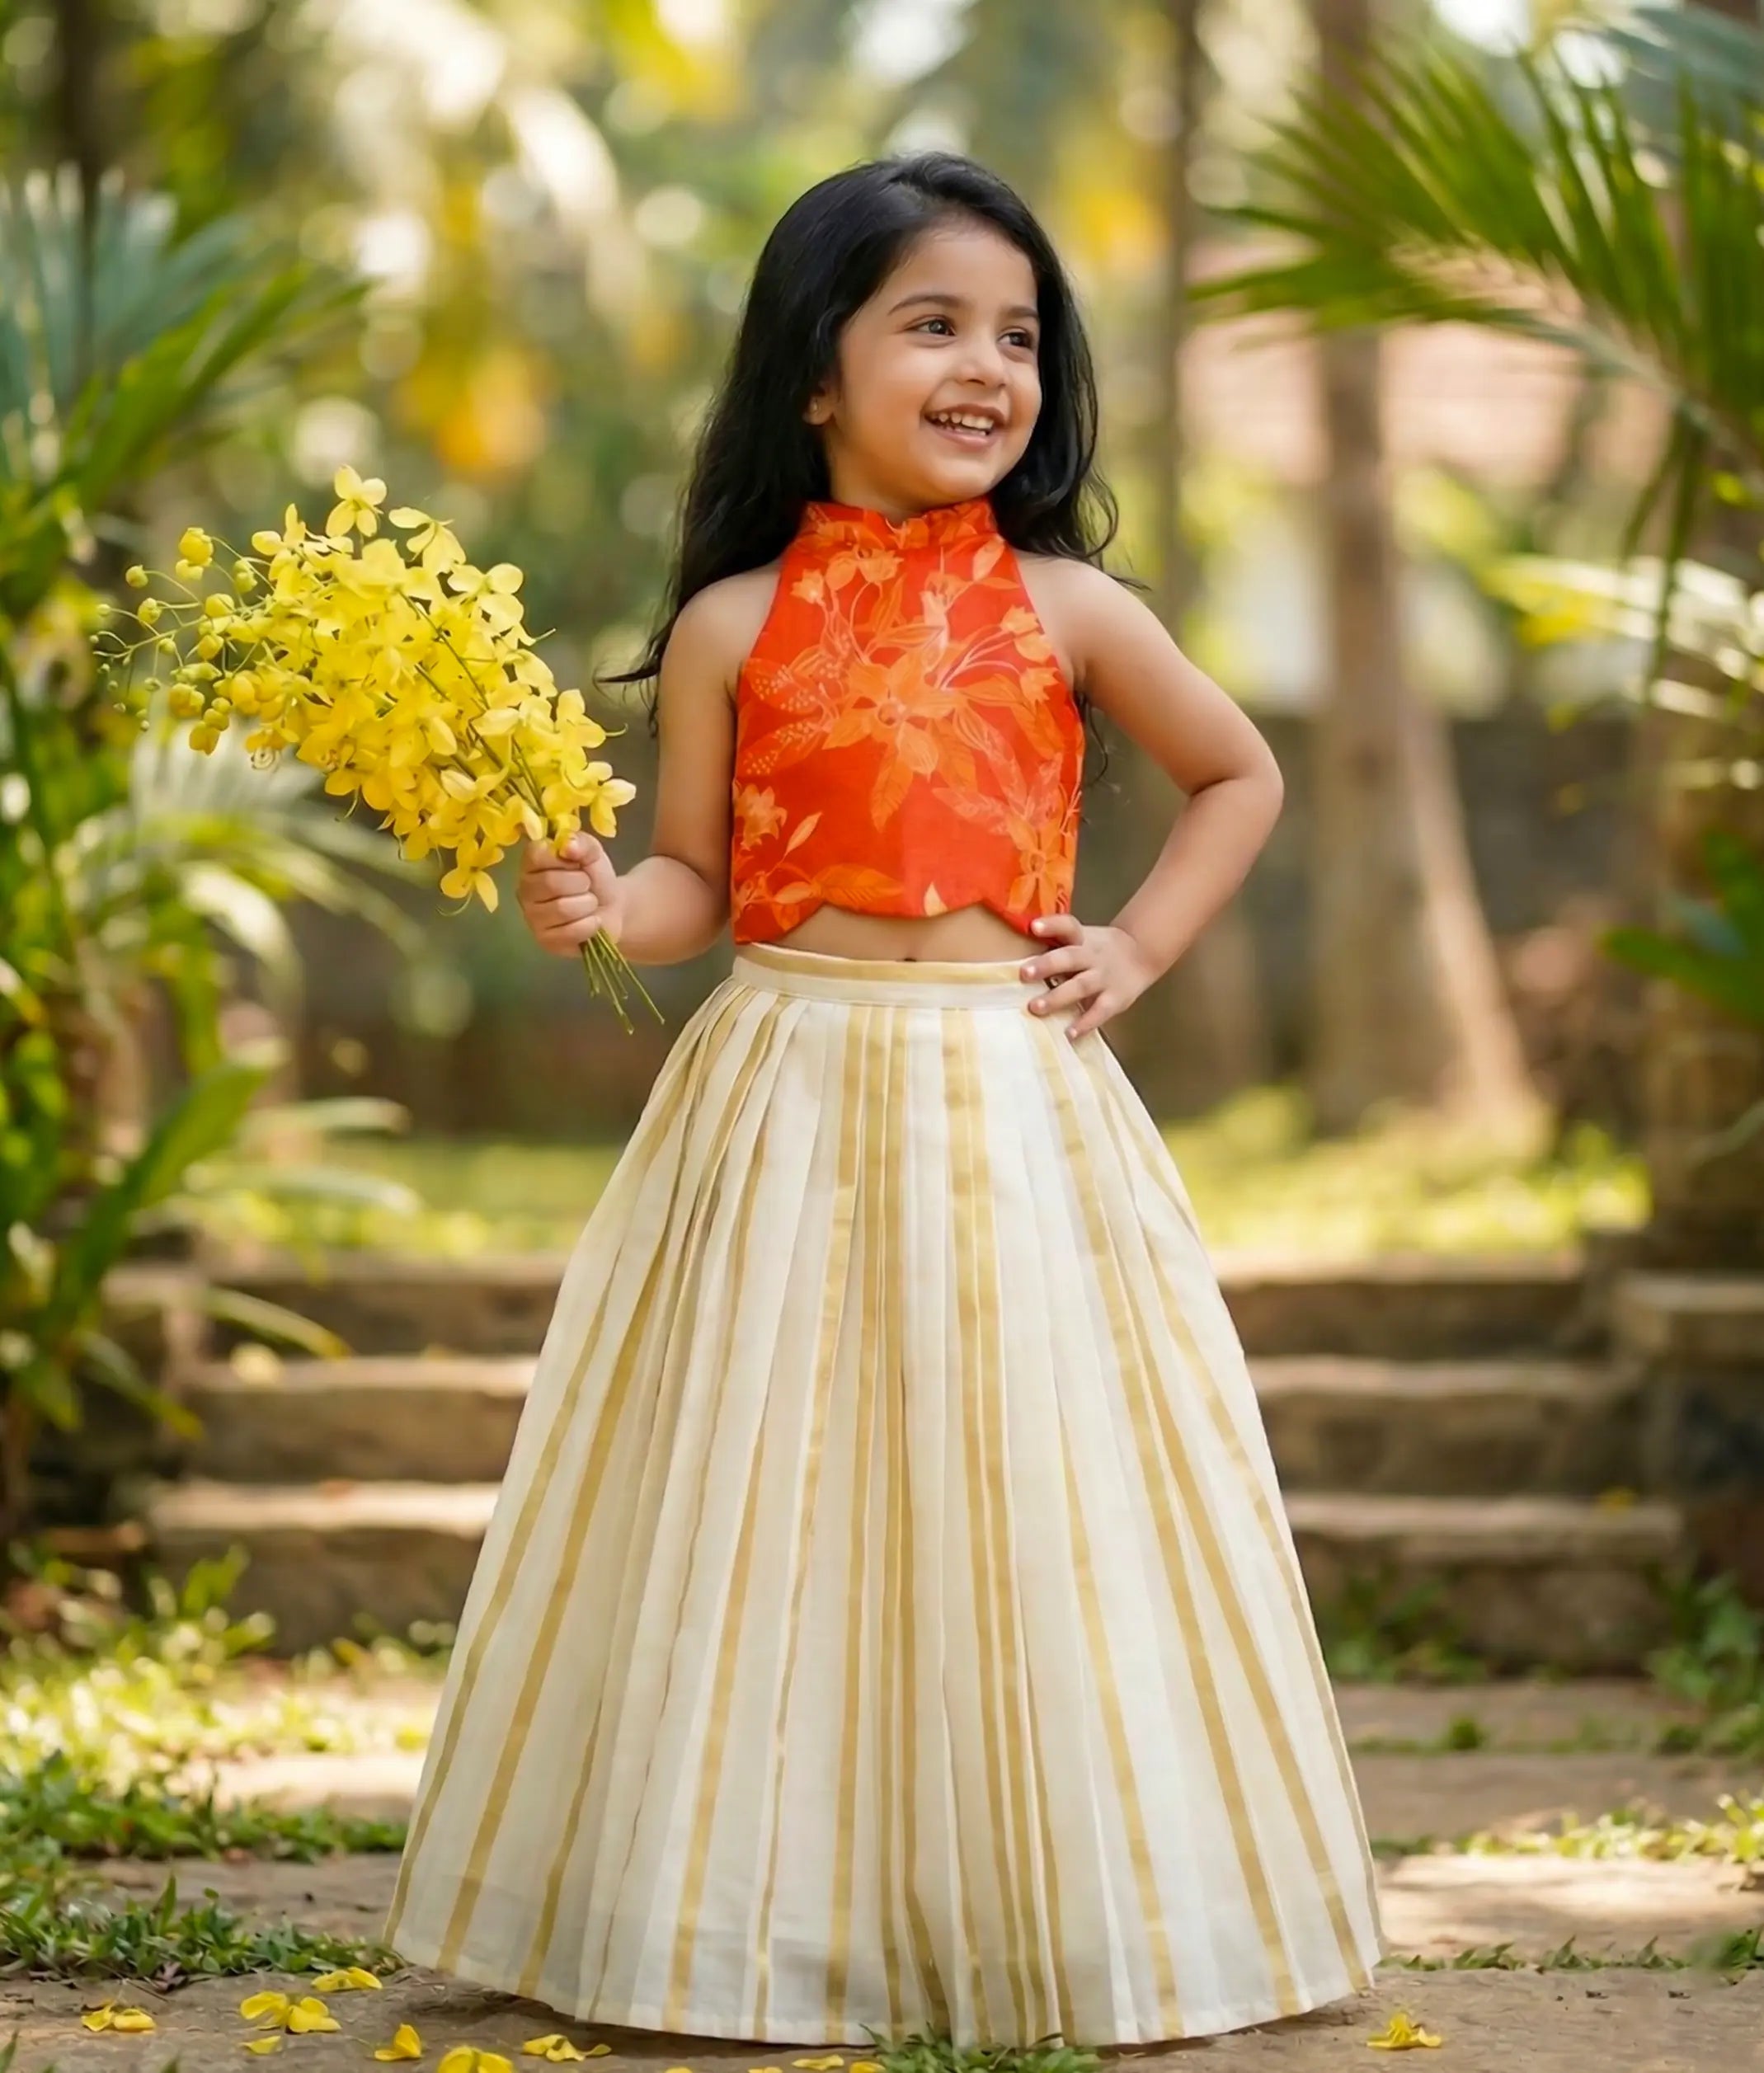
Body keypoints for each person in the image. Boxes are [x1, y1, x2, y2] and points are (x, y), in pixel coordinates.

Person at [383, 150, 1383, 2052]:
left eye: (1015, 334)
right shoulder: (730, 626)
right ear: (813, 375)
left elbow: (1235, 775)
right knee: (767, 1488)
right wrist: (603, 899)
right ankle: (743, 1921)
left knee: (1032, 1484)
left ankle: (1055, 1905)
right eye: (930, 323)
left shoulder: (1070, 605)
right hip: (781, 1092)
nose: (984, 367)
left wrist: (1138, 950)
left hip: (1014, 1098)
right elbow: (694, 887)